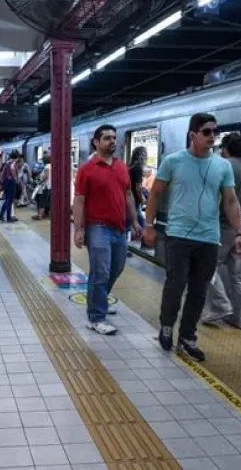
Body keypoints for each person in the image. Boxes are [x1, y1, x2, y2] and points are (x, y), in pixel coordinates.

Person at [145, 113, 241, 361]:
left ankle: (188, 336)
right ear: (193, 135)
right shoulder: (173, 161)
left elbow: (231, 201)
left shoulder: (222, 166)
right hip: (178, 236)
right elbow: (155, 194)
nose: (212, 136)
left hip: (209, 238)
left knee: (199, 290)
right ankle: (167, 326)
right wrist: (149, 225)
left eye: (215, 132)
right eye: (206, 132)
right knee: (175, 284)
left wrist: (240, 232)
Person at [74, 125, 143, 335]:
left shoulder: (122, 167)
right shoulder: (87, 169)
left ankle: (100, 301)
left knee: (117, 268)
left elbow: (128, 195)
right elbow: (79, 200)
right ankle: (96, 317)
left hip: (120, 227)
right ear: (96, 142)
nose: (112, 141)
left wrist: (135, 221)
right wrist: (78, 229)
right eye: (107, 138)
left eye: (114, 137)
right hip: (97, 227)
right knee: (101, 271)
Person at [203, 134, 241, 329]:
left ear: (226, 149)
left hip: (227, 225)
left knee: (207, 266)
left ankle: (221, 306)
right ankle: (240, 318)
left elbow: (221, 197)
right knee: (239, 276)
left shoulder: (223, 166)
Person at [128, 147, 149, 243]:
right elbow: (138, 187)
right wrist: (143, 199)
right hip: (134, 200)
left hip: (129, 199)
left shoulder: (129, 167)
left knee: (129, 222)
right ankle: (145, 242)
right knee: (141, 222)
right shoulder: (138, 169)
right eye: (145, 155)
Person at [0, 150, 21, 222]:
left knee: (7, 199)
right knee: (10, 200)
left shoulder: (7, 162)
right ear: (16, 157)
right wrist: (16, 179)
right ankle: (8, 217)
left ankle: (1, 216)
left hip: (5, 182)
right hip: (10, 182)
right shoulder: (13, 163)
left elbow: (2, 173)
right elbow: (13, 169)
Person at [32, 155, 51, 221]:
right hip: (44, 187)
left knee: (41, 200)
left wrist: (40, 182)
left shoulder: (47, 166)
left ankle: (39, 215)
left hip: (43, 186)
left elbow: (46, 176)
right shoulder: (50, 166)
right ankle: (42, 213)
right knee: (39, 198)